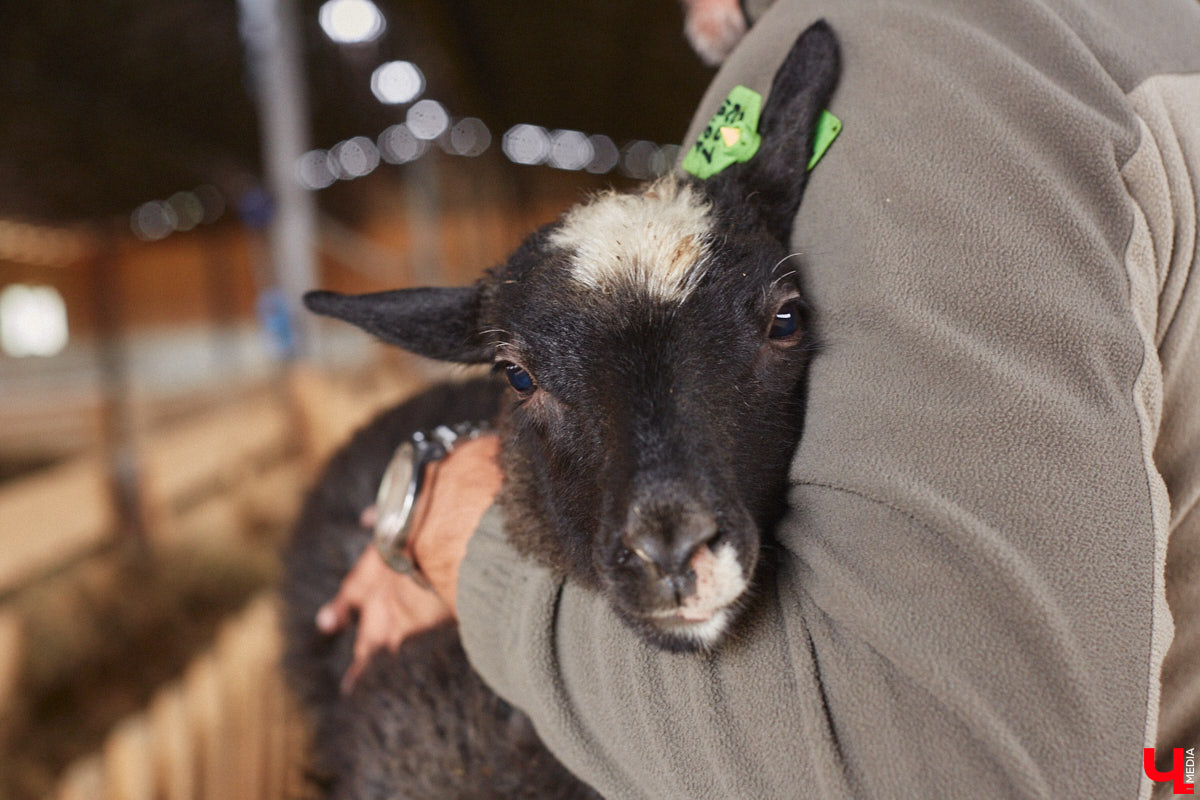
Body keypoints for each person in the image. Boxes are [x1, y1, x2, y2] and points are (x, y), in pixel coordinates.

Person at [318, 0, 1200, 795]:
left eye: (779, 323)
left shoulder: (919, 57)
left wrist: (461, 544)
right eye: (523, 376)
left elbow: (964, 767)